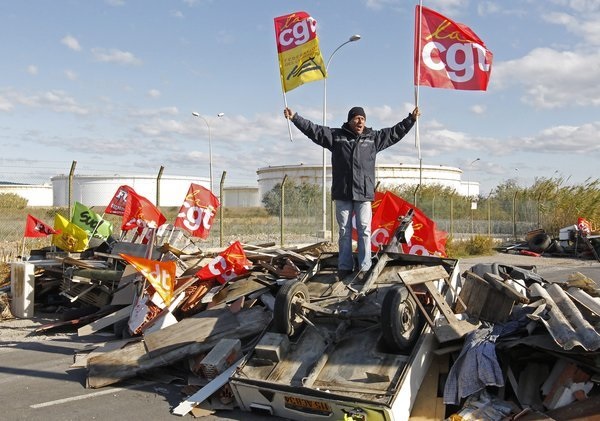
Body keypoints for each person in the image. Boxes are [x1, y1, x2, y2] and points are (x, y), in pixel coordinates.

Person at [283, 105, 420, 279]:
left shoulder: (373, 138)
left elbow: (394, 133)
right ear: (349, 121)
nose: (360, 121)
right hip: (343, 193)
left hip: (363, 193)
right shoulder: (336, 136)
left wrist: (411, 120)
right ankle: (345, 267)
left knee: (364, 229)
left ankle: (364, 267)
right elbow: (313, 130)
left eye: (362, 118)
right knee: (344, 231)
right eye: (356, 118)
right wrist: (295, 118)